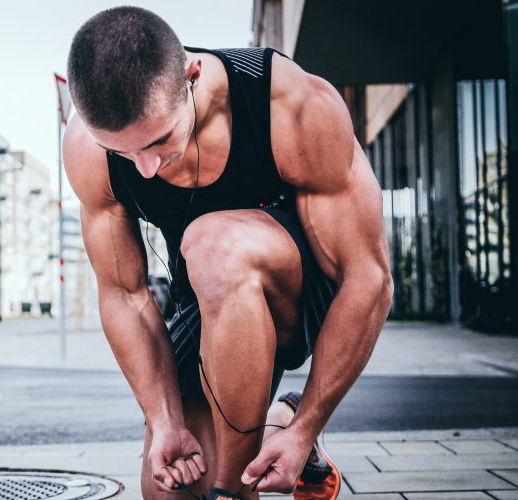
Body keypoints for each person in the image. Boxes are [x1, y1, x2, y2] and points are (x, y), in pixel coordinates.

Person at [62, 7, 393, 500]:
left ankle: (238, 490)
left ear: (192, 76)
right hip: (208, 300)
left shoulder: (289, 104)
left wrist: (308, 428)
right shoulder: (87, 150)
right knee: (172, 487)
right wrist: (165, 421)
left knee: (214, 244)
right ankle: (274, 421)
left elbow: (368, 278)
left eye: (159, 140)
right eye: (123, 153)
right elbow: (124, 295)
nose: (146, 169)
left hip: (304, 294)